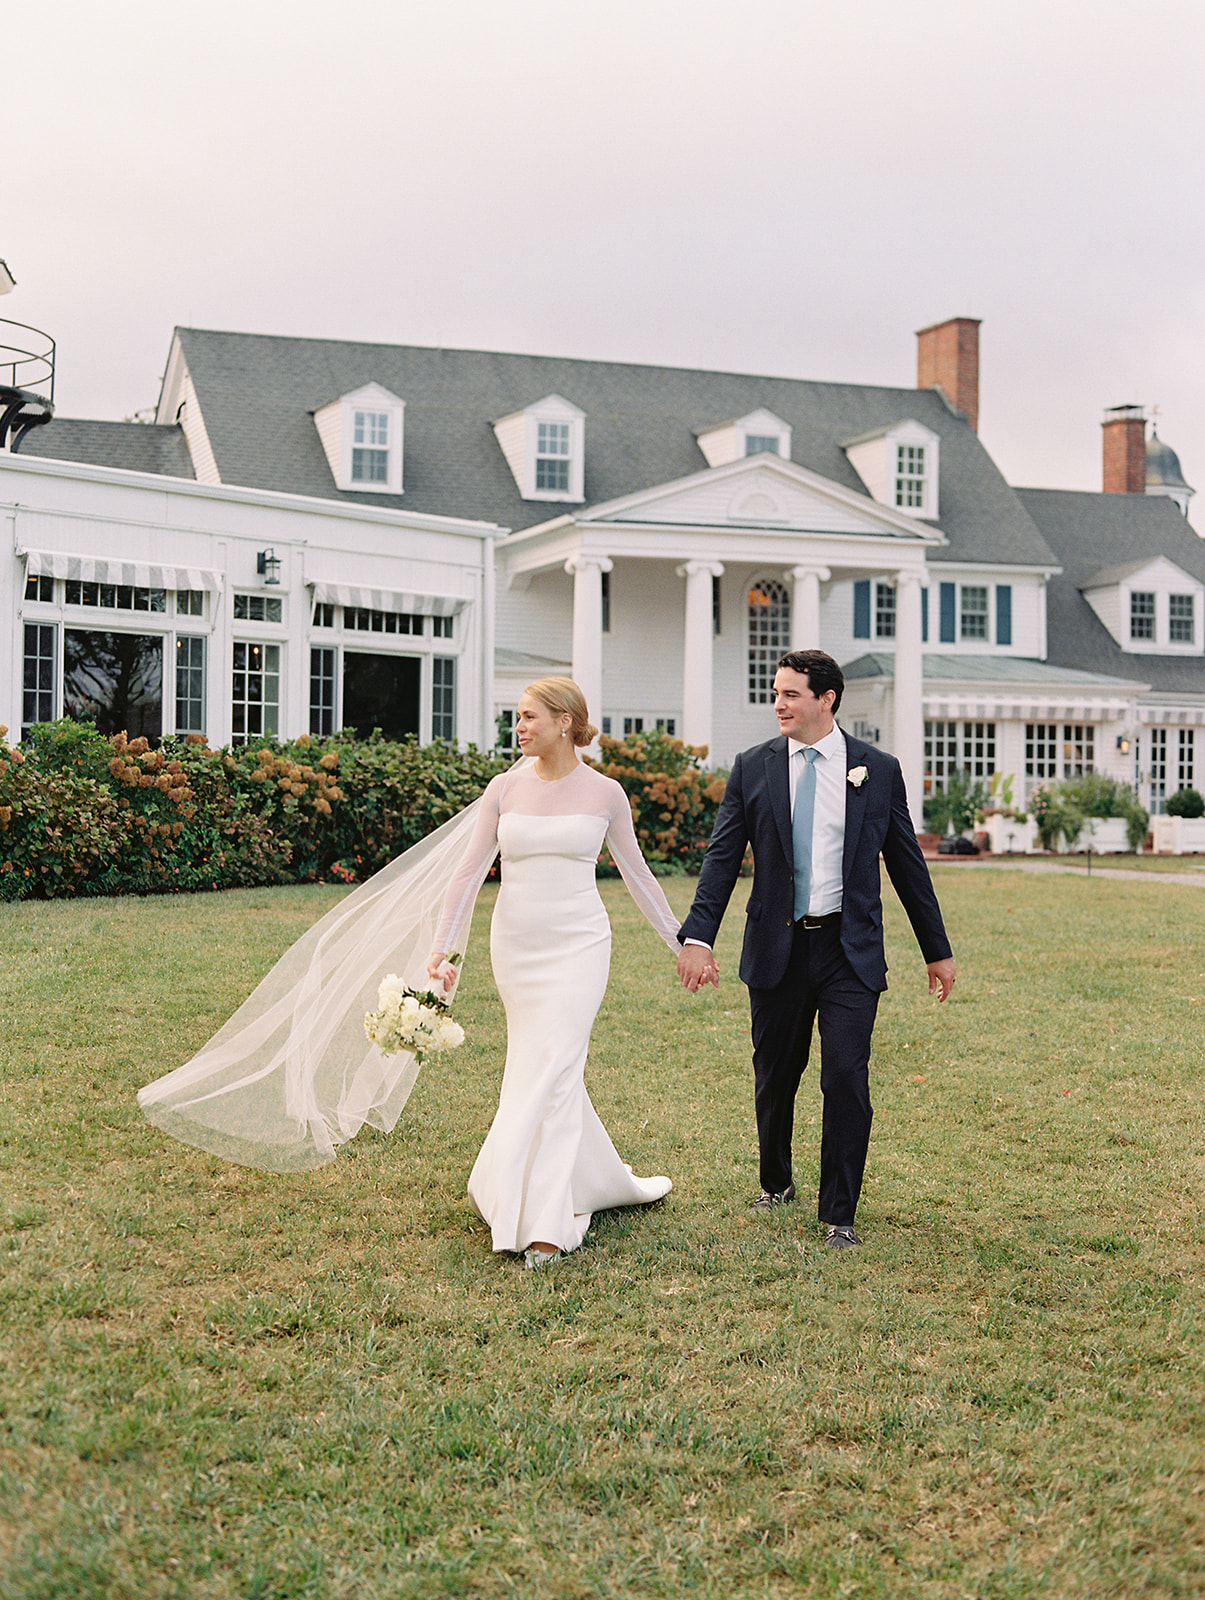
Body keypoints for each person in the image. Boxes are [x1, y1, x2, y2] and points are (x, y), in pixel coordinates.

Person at [677, 649, 954, 1249]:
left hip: (848, 951)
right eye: (776, 693)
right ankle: (775, 1181)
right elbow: (722, 860)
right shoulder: (754, 767)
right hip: (777, 948)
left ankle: (839, 1214)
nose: (778, 703)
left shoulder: (876, 769)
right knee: (776, 1075)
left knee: (847, 1077)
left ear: (826, 699)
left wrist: (937, 948)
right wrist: (698, 937)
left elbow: (906, 862)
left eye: (791, 694)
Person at [427, 678, 679, 1268]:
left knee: (560, 1069)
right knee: (534, 1066)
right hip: (517, 947)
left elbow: (638, 875)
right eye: (516, 718)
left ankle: (546, 1223)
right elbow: (466, 875)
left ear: (566, 720)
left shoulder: (606, 793)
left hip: (580, 946)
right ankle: (574, 1182)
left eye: (528, 716)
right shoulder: (503, 789)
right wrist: (441, 950)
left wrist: (682, 942)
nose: (519, 728)